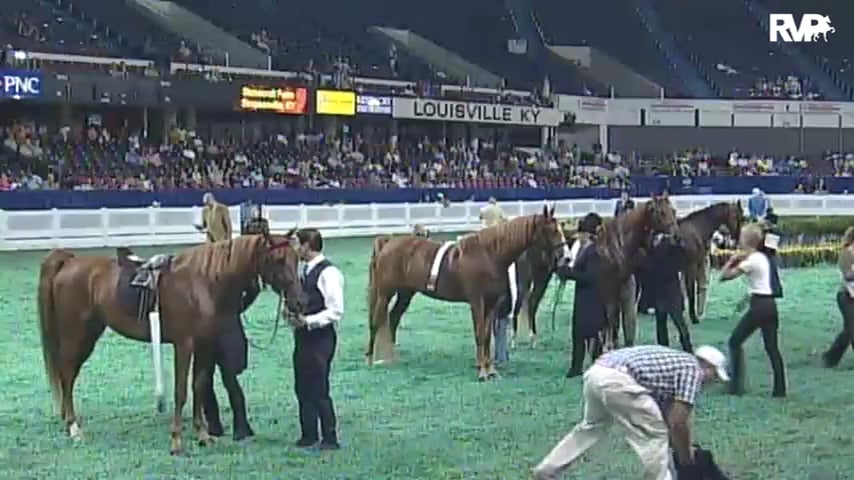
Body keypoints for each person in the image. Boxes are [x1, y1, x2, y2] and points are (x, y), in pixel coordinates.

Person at [532, 345, 731, 480]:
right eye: (714, 376)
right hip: (619, 379)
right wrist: (687, 459)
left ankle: (547, 469)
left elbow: (667, 415)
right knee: (655, 434)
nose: (710, 383)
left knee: (590, 428)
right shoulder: (692, 369)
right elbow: (678, 423)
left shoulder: (672, 364)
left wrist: (682, 447)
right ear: (707, 366)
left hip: (597, 372)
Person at [288, 228, 344, 449]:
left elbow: (336, 310)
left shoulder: (328, 273)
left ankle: (329, 437)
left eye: (297, 244)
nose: (295, 249)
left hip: (320, 337)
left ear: (306, 246)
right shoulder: (305, 271)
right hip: (304, 337)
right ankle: (308, 434)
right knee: (302, 386)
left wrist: (308, 321)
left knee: (319, 388)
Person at [719, 223, 786, 397]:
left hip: (759, 306)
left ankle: (736, 387)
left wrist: (733, 259)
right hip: (769, 304)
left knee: (735, 341)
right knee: (772, 348)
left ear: (745, 240)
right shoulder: (762, 257)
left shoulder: (752, 260)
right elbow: (760, 285)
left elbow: (724, 276)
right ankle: (780, 389)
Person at [202, 279, 260, 440]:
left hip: (226, 331)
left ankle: (239, 425)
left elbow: (254, 288)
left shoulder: (234, 270)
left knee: (228, 380)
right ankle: (215, 424)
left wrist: (238, 308)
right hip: (210, 331)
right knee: (206, 381)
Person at [555, 212, 605, 378]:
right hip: (584, 297)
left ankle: (594, 365)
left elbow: (589, 276)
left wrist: (567, 273)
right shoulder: (586, 250)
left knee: (591, 334)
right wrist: (564, 271)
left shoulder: (593, 252)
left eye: (581, 234)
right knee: (579, 333)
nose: (579, 237)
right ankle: (576, 367)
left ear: (587, 234)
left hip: (592, 298)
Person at [649, 231, 693, 352]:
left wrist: (678, 243)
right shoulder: (650, 240)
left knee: (677, 320)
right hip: (660, 285)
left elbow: (683, 256)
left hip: (670, 285)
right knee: (662, 321)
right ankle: (664, 348)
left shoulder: (672, 242)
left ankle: (687, 347)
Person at [823, 227, 854, 368]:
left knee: (848, 330)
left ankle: (830, 357)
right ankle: (830, 358)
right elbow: (847, 275)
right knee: (852, 328)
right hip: (846, 296)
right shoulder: (846, 254)